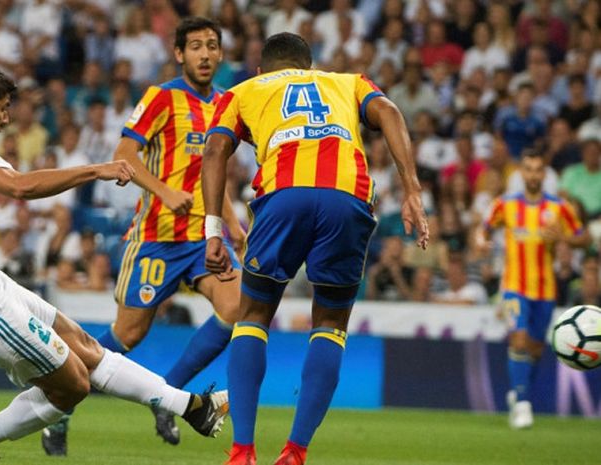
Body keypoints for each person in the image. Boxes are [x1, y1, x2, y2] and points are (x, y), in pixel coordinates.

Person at [0, 58, 229, 465]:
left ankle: (192, 407)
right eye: (3, 109)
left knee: (85, 345)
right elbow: (20, 187)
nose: (6, 120)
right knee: (73, 384)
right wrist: (95, 169)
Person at [202, 33, 429, 465]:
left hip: (284, 194)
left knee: (252, 316)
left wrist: (214, 227)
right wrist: (412, 190)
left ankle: (242, 451)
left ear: (260, 70)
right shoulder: (348, 81)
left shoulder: (242, 91)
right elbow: (389, 112)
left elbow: (215, 149)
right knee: (329, 323)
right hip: (348, 196)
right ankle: (295, 451)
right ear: (310, 66)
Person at [41, 17, 245, 454]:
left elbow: (217, 173)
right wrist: (165, 191)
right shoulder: (163, 97)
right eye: (195, 47)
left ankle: (169, 395)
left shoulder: (227, 104)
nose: (205, 54)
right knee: (127, 337)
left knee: (236, 308)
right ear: (179, 54)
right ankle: (57, 410)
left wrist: (231, 220)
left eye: (212, 46)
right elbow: (123, 154)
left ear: (221, 54)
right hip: (156, 236)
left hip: (203, 238)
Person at [478, 150, 590, 430]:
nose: (532, 174)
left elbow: (584, 238)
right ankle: (524, 404)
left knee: (536, 350)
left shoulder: (559, 208)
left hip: (545, 290)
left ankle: (518, 390)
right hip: (514, 286)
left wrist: (564, 238)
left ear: (544, 174)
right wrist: (481, 242)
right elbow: (483, 229)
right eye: (527, 169)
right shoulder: (504, 205)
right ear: (521, 174)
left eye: (538, 169)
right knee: (518, 340)